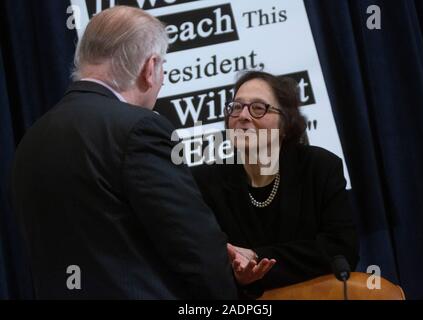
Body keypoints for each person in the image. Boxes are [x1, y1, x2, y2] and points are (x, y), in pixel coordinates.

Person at [11, 6, 237, 299]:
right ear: (150, 67)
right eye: (163, 66)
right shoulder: (140, 129)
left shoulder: (33, 138)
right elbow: (196, 250)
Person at [192, 71, 359, 298]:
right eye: (236, 107)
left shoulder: (319, 168)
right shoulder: (205, 182)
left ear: (285, 123)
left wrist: (255, 257)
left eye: (258, 108)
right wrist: (238, 273)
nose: (243, 115)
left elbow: (341, 249)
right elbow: (202, 259)